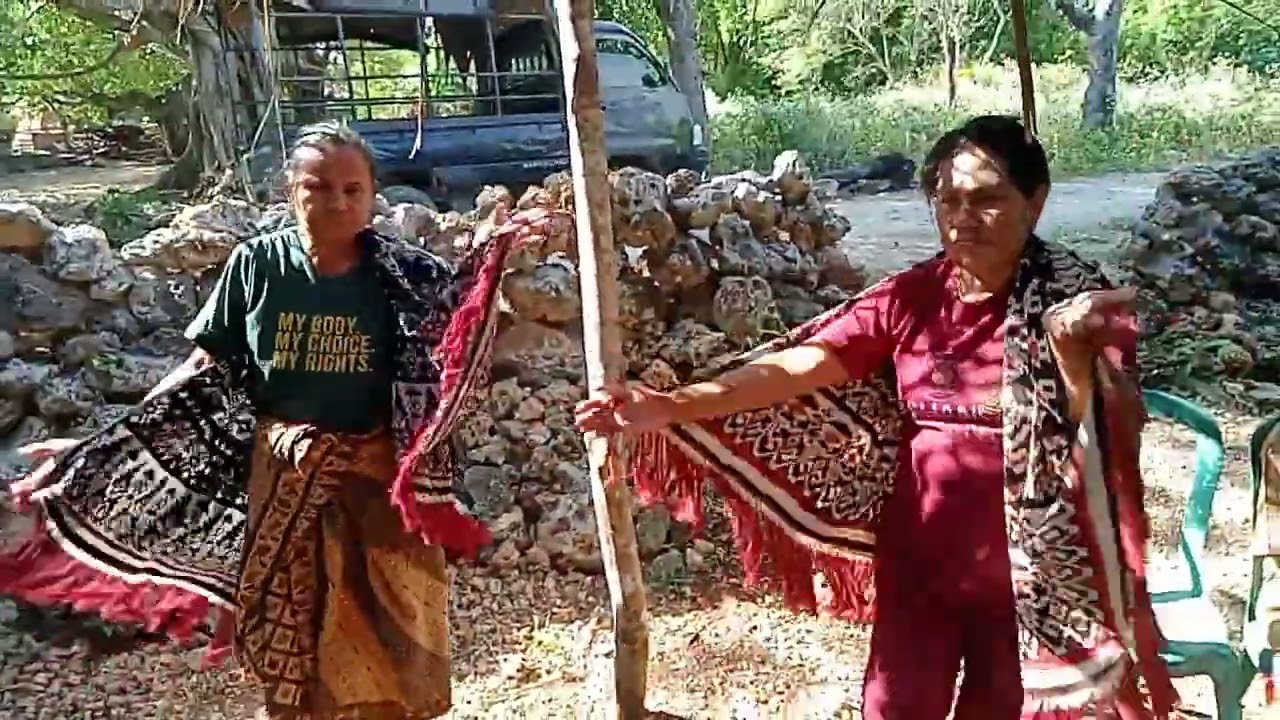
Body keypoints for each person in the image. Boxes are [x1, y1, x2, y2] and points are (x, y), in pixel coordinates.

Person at [575, 115, 1179, 719]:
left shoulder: (1078, 304)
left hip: (1033, 582)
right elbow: (800, 366)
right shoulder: (913, 298)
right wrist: (668, 406)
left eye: (989, 199)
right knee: (894, 707)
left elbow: (1109, 434)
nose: (964, 218)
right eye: (948, 200)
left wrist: (1071, 354)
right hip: (922, 564)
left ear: (1037, 201)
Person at [1, 122, 525, 719]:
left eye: (353, 188)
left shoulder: (408, 276)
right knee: (293, 632)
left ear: (373, 194)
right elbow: (203, 368)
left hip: (379, 484)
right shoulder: (257, 265)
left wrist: (501, 248)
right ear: (289, 191)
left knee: (398, 631)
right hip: (284, 478)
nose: (337, 201)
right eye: (318, 186)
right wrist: (100, 448)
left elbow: (461, 330)